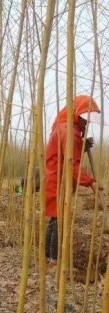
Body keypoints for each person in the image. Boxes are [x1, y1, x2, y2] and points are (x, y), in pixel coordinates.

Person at [45, 95, 101, 265]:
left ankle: (49, 256)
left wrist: (83, 145)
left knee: (54, 218)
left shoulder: (64, 128)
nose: (87, 122)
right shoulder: (69, 131)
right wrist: (91, 182)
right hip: (59, 181)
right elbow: (73, 165)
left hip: (54, 179)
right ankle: (54, 258)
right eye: (85, 118)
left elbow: (68, 154)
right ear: (77, 115)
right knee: (59, 219)